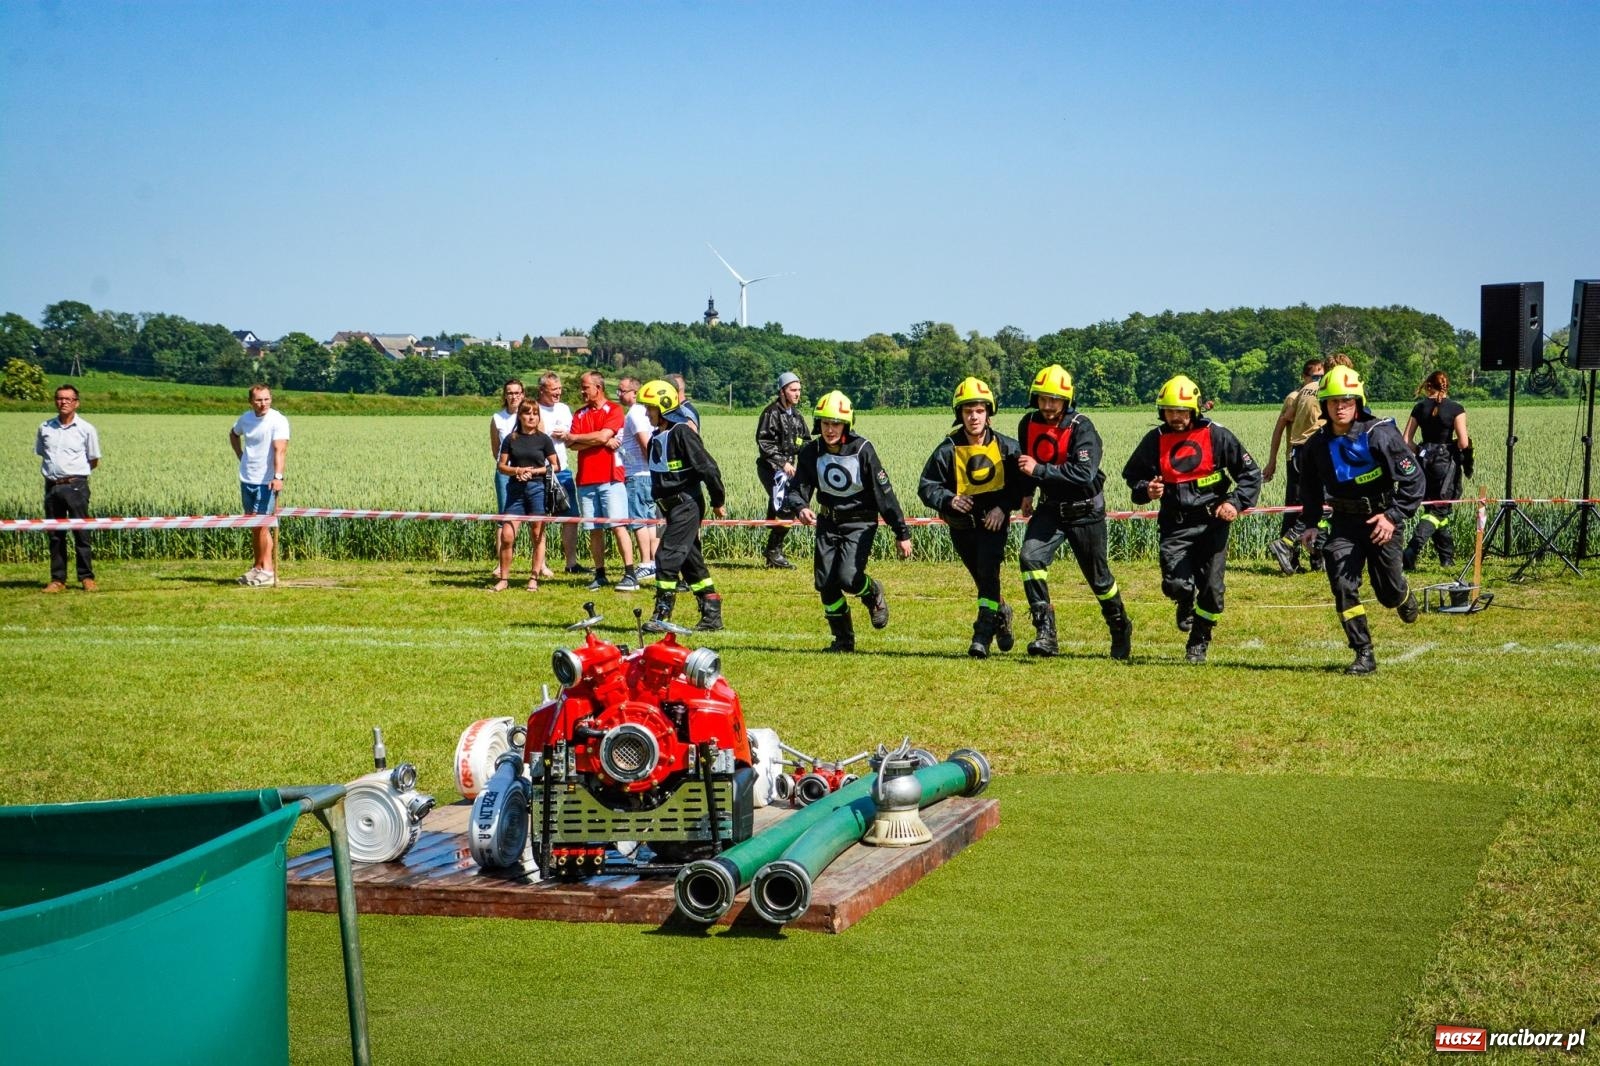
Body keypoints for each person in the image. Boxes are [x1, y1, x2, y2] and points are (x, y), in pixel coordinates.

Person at [1122, 374, 1261, 664]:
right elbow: (1133, 477)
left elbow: (1250, 474)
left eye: (1182, 411)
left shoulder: (1217, 435)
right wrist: (1146, 489)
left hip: (1213, 524)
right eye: (1170, 411)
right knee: (1175, 583)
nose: (1176, 417)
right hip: (1175, 524)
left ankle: (1199, 641)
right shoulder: (1155, 440)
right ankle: (1184, 599)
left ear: (1195, 410)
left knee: (1212, 590)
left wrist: (1234, 503)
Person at [1297, 365, 1424, 674]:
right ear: (1324, 405)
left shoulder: (1380, 433)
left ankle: (1402, 593)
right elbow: (1310, 488)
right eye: (1334, 401)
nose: (1340, 407)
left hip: (1383, 521)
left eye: (1347, 401)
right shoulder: (1315, 445)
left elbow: (1414, 480)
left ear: (1358, 401)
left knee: (1388, 593)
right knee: (1342, 584)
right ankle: (1363, 653)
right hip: (1343, 523)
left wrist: (1392, 517)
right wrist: (1311, 524)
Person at [1014, 365, 1132, 660]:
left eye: (1054, 399)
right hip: (1051, 508)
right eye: (1042, 399)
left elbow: (1083, 473)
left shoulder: (1082, 427)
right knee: (1030, 558)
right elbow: (1027, 461)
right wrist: (1028, 492)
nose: (1048, 405)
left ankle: (1119, 626)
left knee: (1100, 580)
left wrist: (1039, 470)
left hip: (1085, 510)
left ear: (1067, 400)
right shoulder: (1027, 423)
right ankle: (1045, 633)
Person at [782, 390, 913, 652]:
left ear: (847, 424)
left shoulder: (862, 450)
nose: (830, 429)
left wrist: (902, 533)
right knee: (825, 583)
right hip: (828, 523)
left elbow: (884, 494)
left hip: (860, 523)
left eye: (836, 423)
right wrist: (800, 508)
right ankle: (843, 640)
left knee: (849, 578)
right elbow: (796, 489)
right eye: (825, 423)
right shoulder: (811, 451)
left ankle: (873, 592)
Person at [918, 377, 1025, 658]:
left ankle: (982, 635)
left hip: (993, 525)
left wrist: (1003, 507)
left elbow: (1019, 485)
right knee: (982, 579)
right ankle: (1002, 613)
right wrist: (949, 499)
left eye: (979, 410)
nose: (973, 417)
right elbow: (927, 486)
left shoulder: (1007, 447)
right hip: (962, 527)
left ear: (989, 412)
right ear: (960, 415)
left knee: (989, 574)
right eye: (968, 411)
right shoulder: (947, 449)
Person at [637, 379, 727, 631]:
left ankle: (661, 615)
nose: (646, 413)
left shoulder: (682, 433)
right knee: (690, 561)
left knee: (665, 556)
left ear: (663, 407)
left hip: (686, 505)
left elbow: (708, 468)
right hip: (671, 508)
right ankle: (711, 614)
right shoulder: (658, 436)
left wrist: (718, 501)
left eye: (650, 408)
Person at [562, 371, 639, 592]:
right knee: (593, 528)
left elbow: (601, 436)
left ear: (598, 387)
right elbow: (573, 445)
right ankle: (600, 573)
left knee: (618, 525)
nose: (582, 391)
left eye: (585, 387)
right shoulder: (579, 414)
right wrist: (593, 439)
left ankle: (630, 573)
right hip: (586, 480)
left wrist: (582, 438)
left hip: (611, 478)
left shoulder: (614, 410)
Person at [1401, 370, 1472, 570]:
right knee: (1438, 509)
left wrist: (1422, 451)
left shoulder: (1419, 407)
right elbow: (1464, 442)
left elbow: (1406, 441)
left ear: (1428, 386)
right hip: (1445, 463)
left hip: (1424, 462)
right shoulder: (1456, 408)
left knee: (1436, 510)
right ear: (1446, 387)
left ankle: (1446, 559)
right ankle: (1410, 552)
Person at [1262, 358, 1326, 575]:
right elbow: (1279, 429)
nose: (1318, 380)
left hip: (1311, 455)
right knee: (1295, 509)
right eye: (1314, 377)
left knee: (1319, 508)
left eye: (1321, 376)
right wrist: (1272, 461)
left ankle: (1317, 557)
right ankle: (1290, 554)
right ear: (1305, 378)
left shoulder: (1319, 395)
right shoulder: (1294, 397)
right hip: (1298, 457)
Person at [35, 383, 101, 592]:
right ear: (55, 401)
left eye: (68, 399)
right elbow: (42, 453)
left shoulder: (86, 429)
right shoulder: (45, 428)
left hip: (75, 486)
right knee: (55, 534)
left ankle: (86, 578)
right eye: (59, 398)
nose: (63, 402)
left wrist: (74, 475)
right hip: (52, 486)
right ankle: (58, 580)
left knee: (81, 533)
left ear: (76, 403)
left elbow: (93, 459)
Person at [493, 401, 558, 591]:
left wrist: (535, 471)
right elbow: (502, 466)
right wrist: (517, 470)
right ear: (520, 416)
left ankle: (533, 578)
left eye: (535, 414)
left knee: (537, 534)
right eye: (528, 413)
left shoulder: (544, 439)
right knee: (507, 535)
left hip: (538, 489)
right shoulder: (510, 439)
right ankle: (504, 578)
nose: (532, 417)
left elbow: (555, 465)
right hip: (515, 491)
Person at [229, 384, 289, 587]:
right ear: (251, 402)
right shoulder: (245, 419)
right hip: (247, 478)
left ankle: (268, 571)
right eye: (258, 400)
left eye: (266, 399)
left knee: (263, 526)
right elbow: (233, 434)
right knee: (254, 526)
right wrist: (240, 455)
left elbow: (280, 450)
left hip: (267, 482)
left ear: (271, 399)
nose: (263, 403)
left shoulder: (278, 420)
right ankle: (257, 567)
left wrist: (278, 476)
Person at [755, 371, 808, 568]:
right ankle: (773, 551)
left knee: (788, 506)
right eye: (793, 390)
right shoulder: (771, 413)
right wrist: (782, 463)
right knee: (786, 507)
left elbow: (806, 441)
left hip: (790, 470)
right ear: (782, 391)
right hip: (771, 470)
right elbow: (764, 443)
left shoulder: (797, 416)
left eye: (799, 390)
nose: (797, 394)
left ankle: (772, 546)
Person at [536, 372, 581, 574]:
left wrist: (567, 435)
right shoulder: (533, 409)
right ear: (542, 390)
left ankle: (571, 563)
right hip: (540, 471)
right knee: (540, 519)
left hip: (562, 470)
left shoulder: (564, 409)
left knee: (571, 517)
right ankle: (541, 564)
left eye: (560, 388)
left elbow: (572, 437)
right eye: (554, 389)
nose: (558, 393)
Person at [617, 376, 657, 580]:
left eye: (622, 391)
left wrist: (649, 464)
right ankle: (653, 561)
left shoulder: (634, 414)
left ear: (634, 393)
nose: (619, 395)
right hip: (646, 475)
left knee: (639, 521)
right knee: (650, 521)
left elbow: (645, 443)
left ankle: (646, 562)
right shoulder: (644, 412)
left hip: (638, 475)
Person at [489, 378, 525, 580]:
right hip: (506, 474)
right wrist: (510, 469)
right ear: (505, 396)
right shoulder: (498, 418)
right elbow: (496, 449)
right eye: (510, 393)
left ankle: (541, 564)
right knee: (504, 518)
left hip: (529, 473)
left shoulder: (530, 414)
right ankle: (500, 563)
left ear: (523, 394)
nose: (514, 396)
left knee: (535, 518)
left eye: (517, 392)